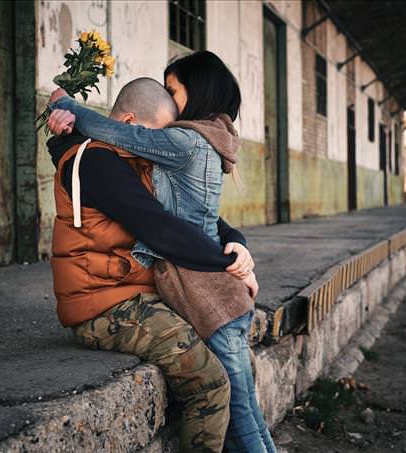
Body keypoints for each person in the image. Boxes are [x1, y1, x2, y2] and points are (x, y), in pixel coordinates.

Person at [48, 51, 277, 453]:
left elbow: (187, 213)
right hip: (105, 306)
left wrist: (236, 241)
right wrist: (227, 266)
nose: (162, 146)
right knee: (211, 383)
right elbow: (158, 226)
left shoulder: (133, 161)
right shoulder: (96, 161)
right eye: (160, 134)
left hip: (140, 294)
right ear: (133, 126)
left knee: (239, 363)